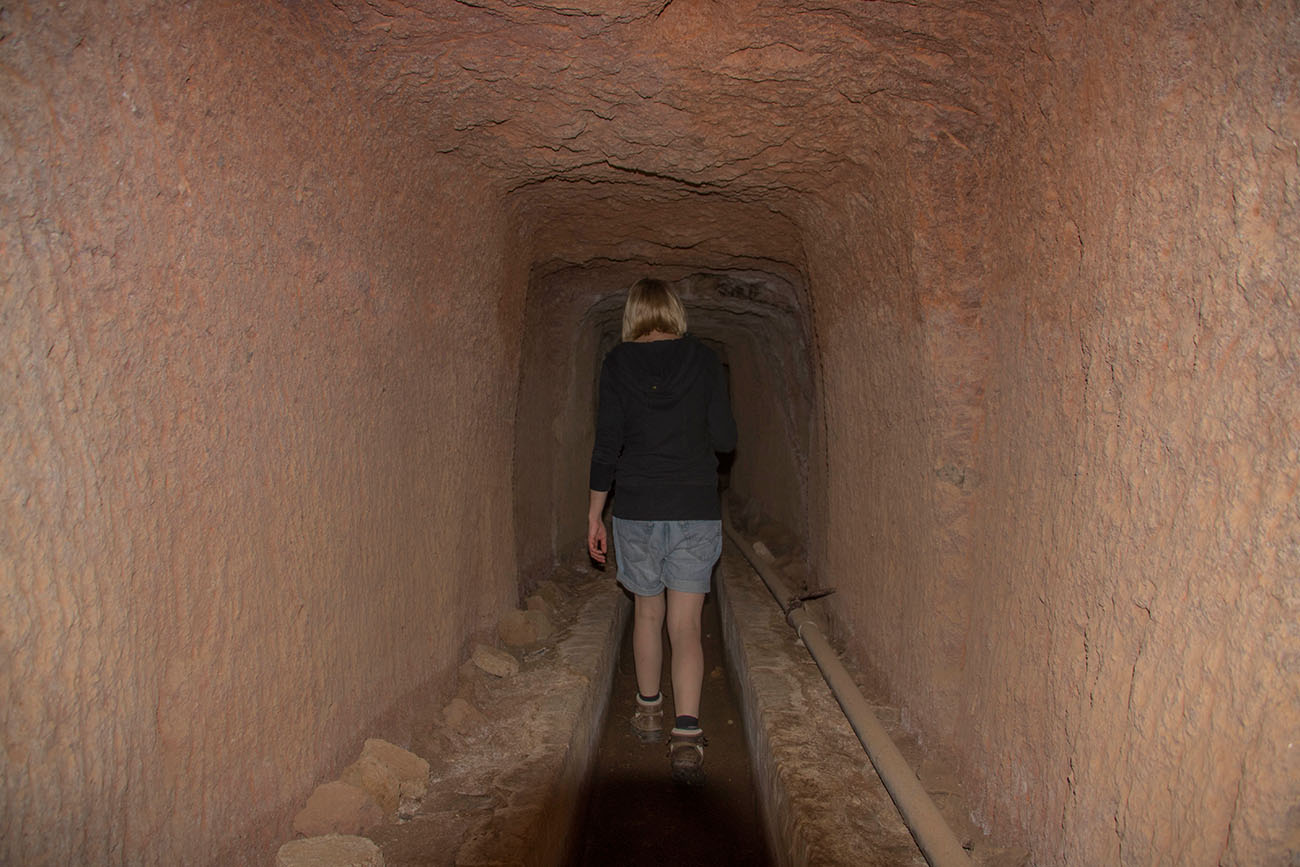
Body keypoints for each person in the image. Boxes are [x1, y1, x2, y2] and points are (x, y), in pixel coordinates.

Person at [586, 277, 737, 785]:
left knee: (647, 614)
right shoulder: (705, 361)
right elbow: (726, 438)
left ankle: (649, 711)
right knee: (686, 625)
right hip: (694, 505)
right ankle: (687, 736)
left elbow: (607, 443)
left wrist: (594, 514)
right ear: (675, 312)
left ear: (632, 316)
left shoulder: (617, 364)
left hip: (638, 508)